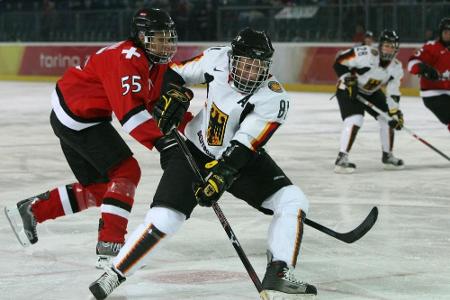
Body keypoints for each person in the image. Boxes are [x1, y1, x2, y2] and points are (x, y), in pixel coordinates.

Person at [88, 28, 317, 299]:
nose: (250, 72)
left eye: (257, 66)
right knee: (166, 218)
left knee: (292, 200)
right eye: (245, 64)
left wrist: (221, 177)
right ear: (233, 59)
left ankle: (279, 272)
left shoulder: (274, 98)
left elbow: (245, 144)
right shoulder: (215, 59)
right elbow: (172, 74)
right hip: (194, 150)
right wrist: (176, 95)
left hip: (239, 159)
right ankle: (115, 273)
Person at [4, 8, 193, 269]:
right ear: (140, 36)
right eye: (158, 37)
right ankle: (110, 249)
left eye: (168, 37)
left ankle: (33, 210)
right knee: (127, 172)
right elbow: (131, 114)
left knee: (105, 189)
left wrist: (192, 128)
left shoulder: (151, 61)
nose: (165, 43)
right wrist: (164, 143)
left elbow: (155, 103)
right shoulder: (127, 59)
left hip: (75, 113)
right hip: (79, 117)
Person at [333, 30, 405, 174]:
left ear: (396, 49)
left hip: (371, 92)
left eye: (392, 46)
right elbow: (339, 61)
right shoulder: (365, 53)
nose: (388, 49)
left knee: (388, 118)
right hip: (348, 89)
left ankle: (387, 155)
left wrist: (395, 112)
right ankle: (342, 158)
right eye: (386, 45)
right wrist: (349, 79)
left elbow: (393, 92)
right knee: (356, 119)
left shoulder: (396, 67)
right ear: (380, 45)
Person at [408, 17, 450, 132]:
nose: (448, 35)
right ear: (440, 33)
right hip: (433, 94)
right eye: (446, 32)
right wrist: (423, 68)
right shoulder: (432, 47)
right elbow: (412, 63)